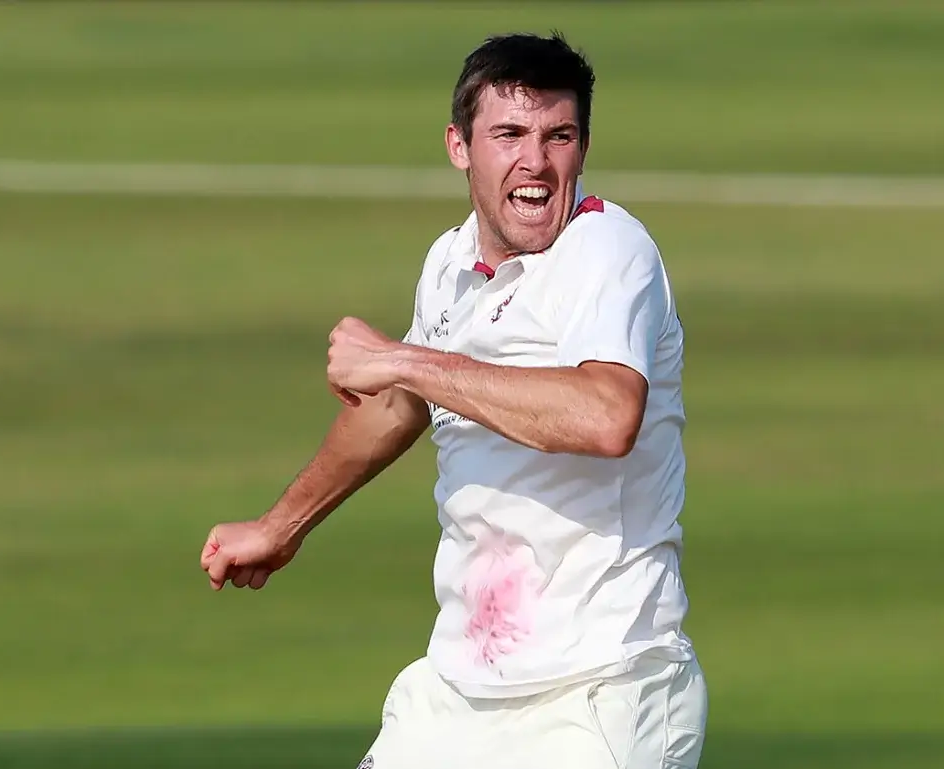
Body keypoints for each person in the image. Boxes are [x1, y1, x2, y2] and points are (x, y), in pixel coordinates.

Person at [200, 31, 706, 769]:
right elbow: (397, 405)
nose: (536, 162)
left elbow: (606, 415)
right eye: (509, 135)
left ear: (583, 148)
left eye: (558, 136)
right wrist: (281, 527)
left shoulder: (606, 250)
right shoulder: (450, 262)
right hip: (459, 691)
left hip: (601, 691)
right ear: (459, 147)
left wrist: (403, 359)